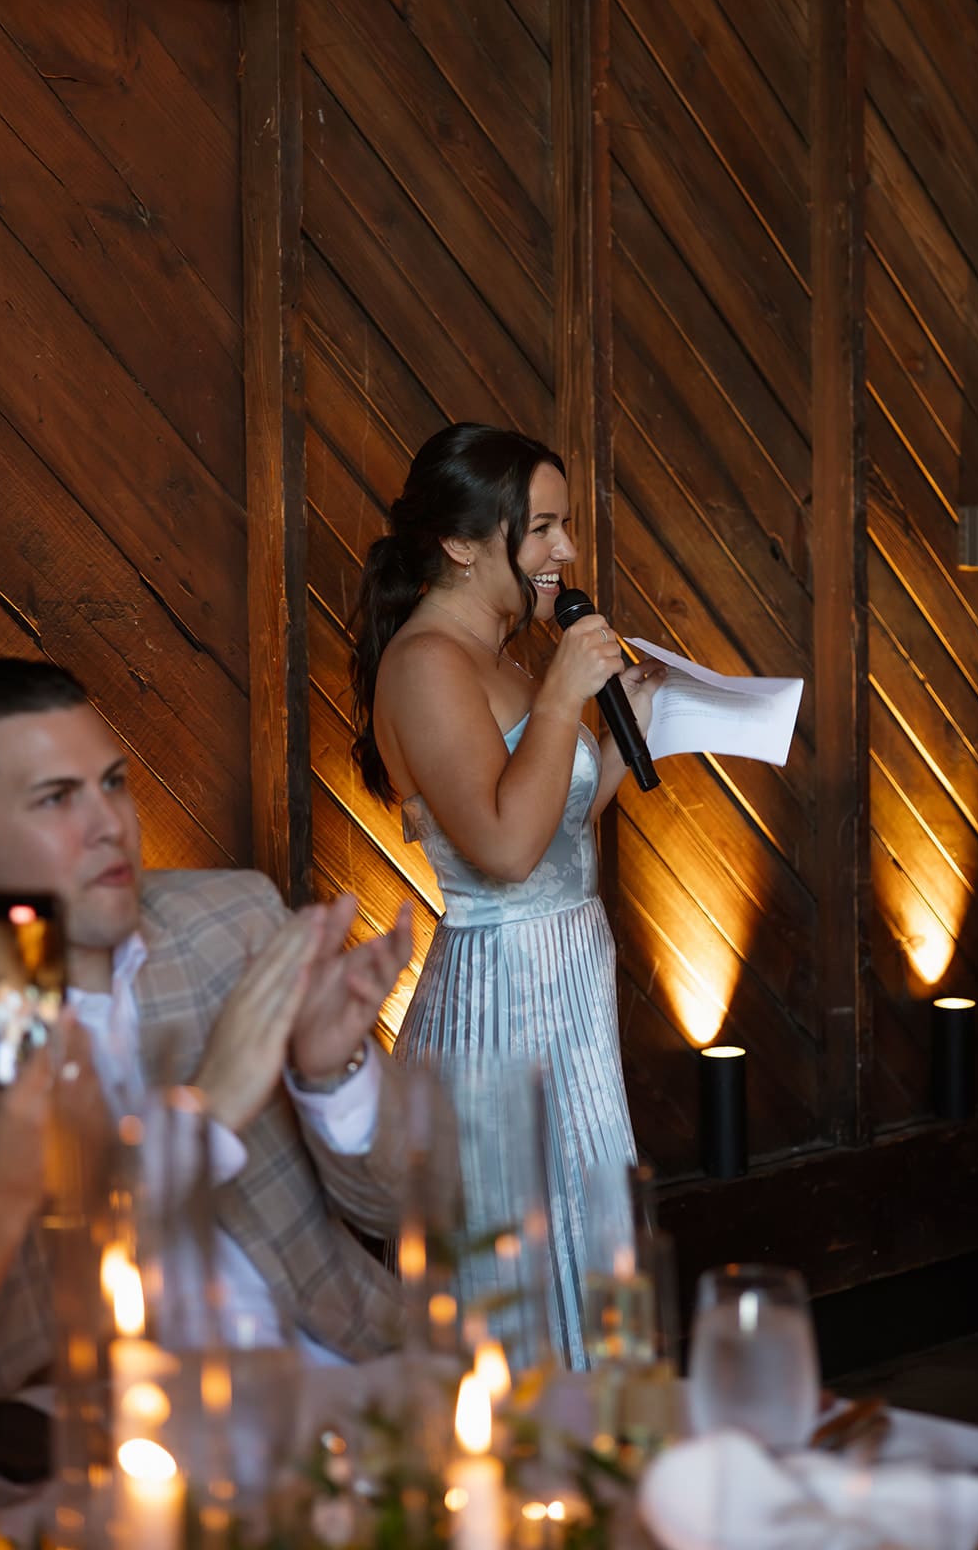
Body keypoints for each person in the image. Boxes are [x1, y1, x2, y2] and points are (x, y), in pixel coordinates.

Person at [0, 657, 419, 1404]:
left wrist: (332, 1075)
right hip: (110, 1435)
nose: (110, 826)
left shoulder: (232, 917)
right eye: (56, 798)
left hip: (350, 1379)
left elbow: (402, 1206)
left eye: (113, 783)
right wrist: (202, 1118)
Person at [350, 421, 665, 1366]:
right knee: (517, 1265)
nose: (564, 551)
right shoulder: (427, 664)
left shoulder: (500, 655)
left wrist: (624, 737)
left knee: (584, 1231)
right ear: (459, 542)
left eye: (563, 527)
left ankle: (595, 1435)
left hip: (568, 983)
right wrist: (564, 696)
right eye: (540, 529)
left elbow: (554, 824)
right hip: (503, 1002)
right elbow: (501, 851)